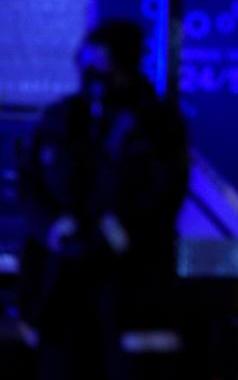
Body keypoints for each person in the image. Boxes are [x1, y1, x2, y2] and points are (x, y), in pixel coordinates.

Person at [18, 20, 189, 380]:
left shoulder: (156, 124)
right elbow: (30, 183)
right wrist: (55, 228)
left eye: (104, 66)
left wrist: (109, 234)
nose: (93, 75)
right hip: (61, 281)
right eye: (86, 63)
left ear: (126, 67)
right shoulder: (61, 119)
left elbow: (161, 194)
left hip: (129, 283)